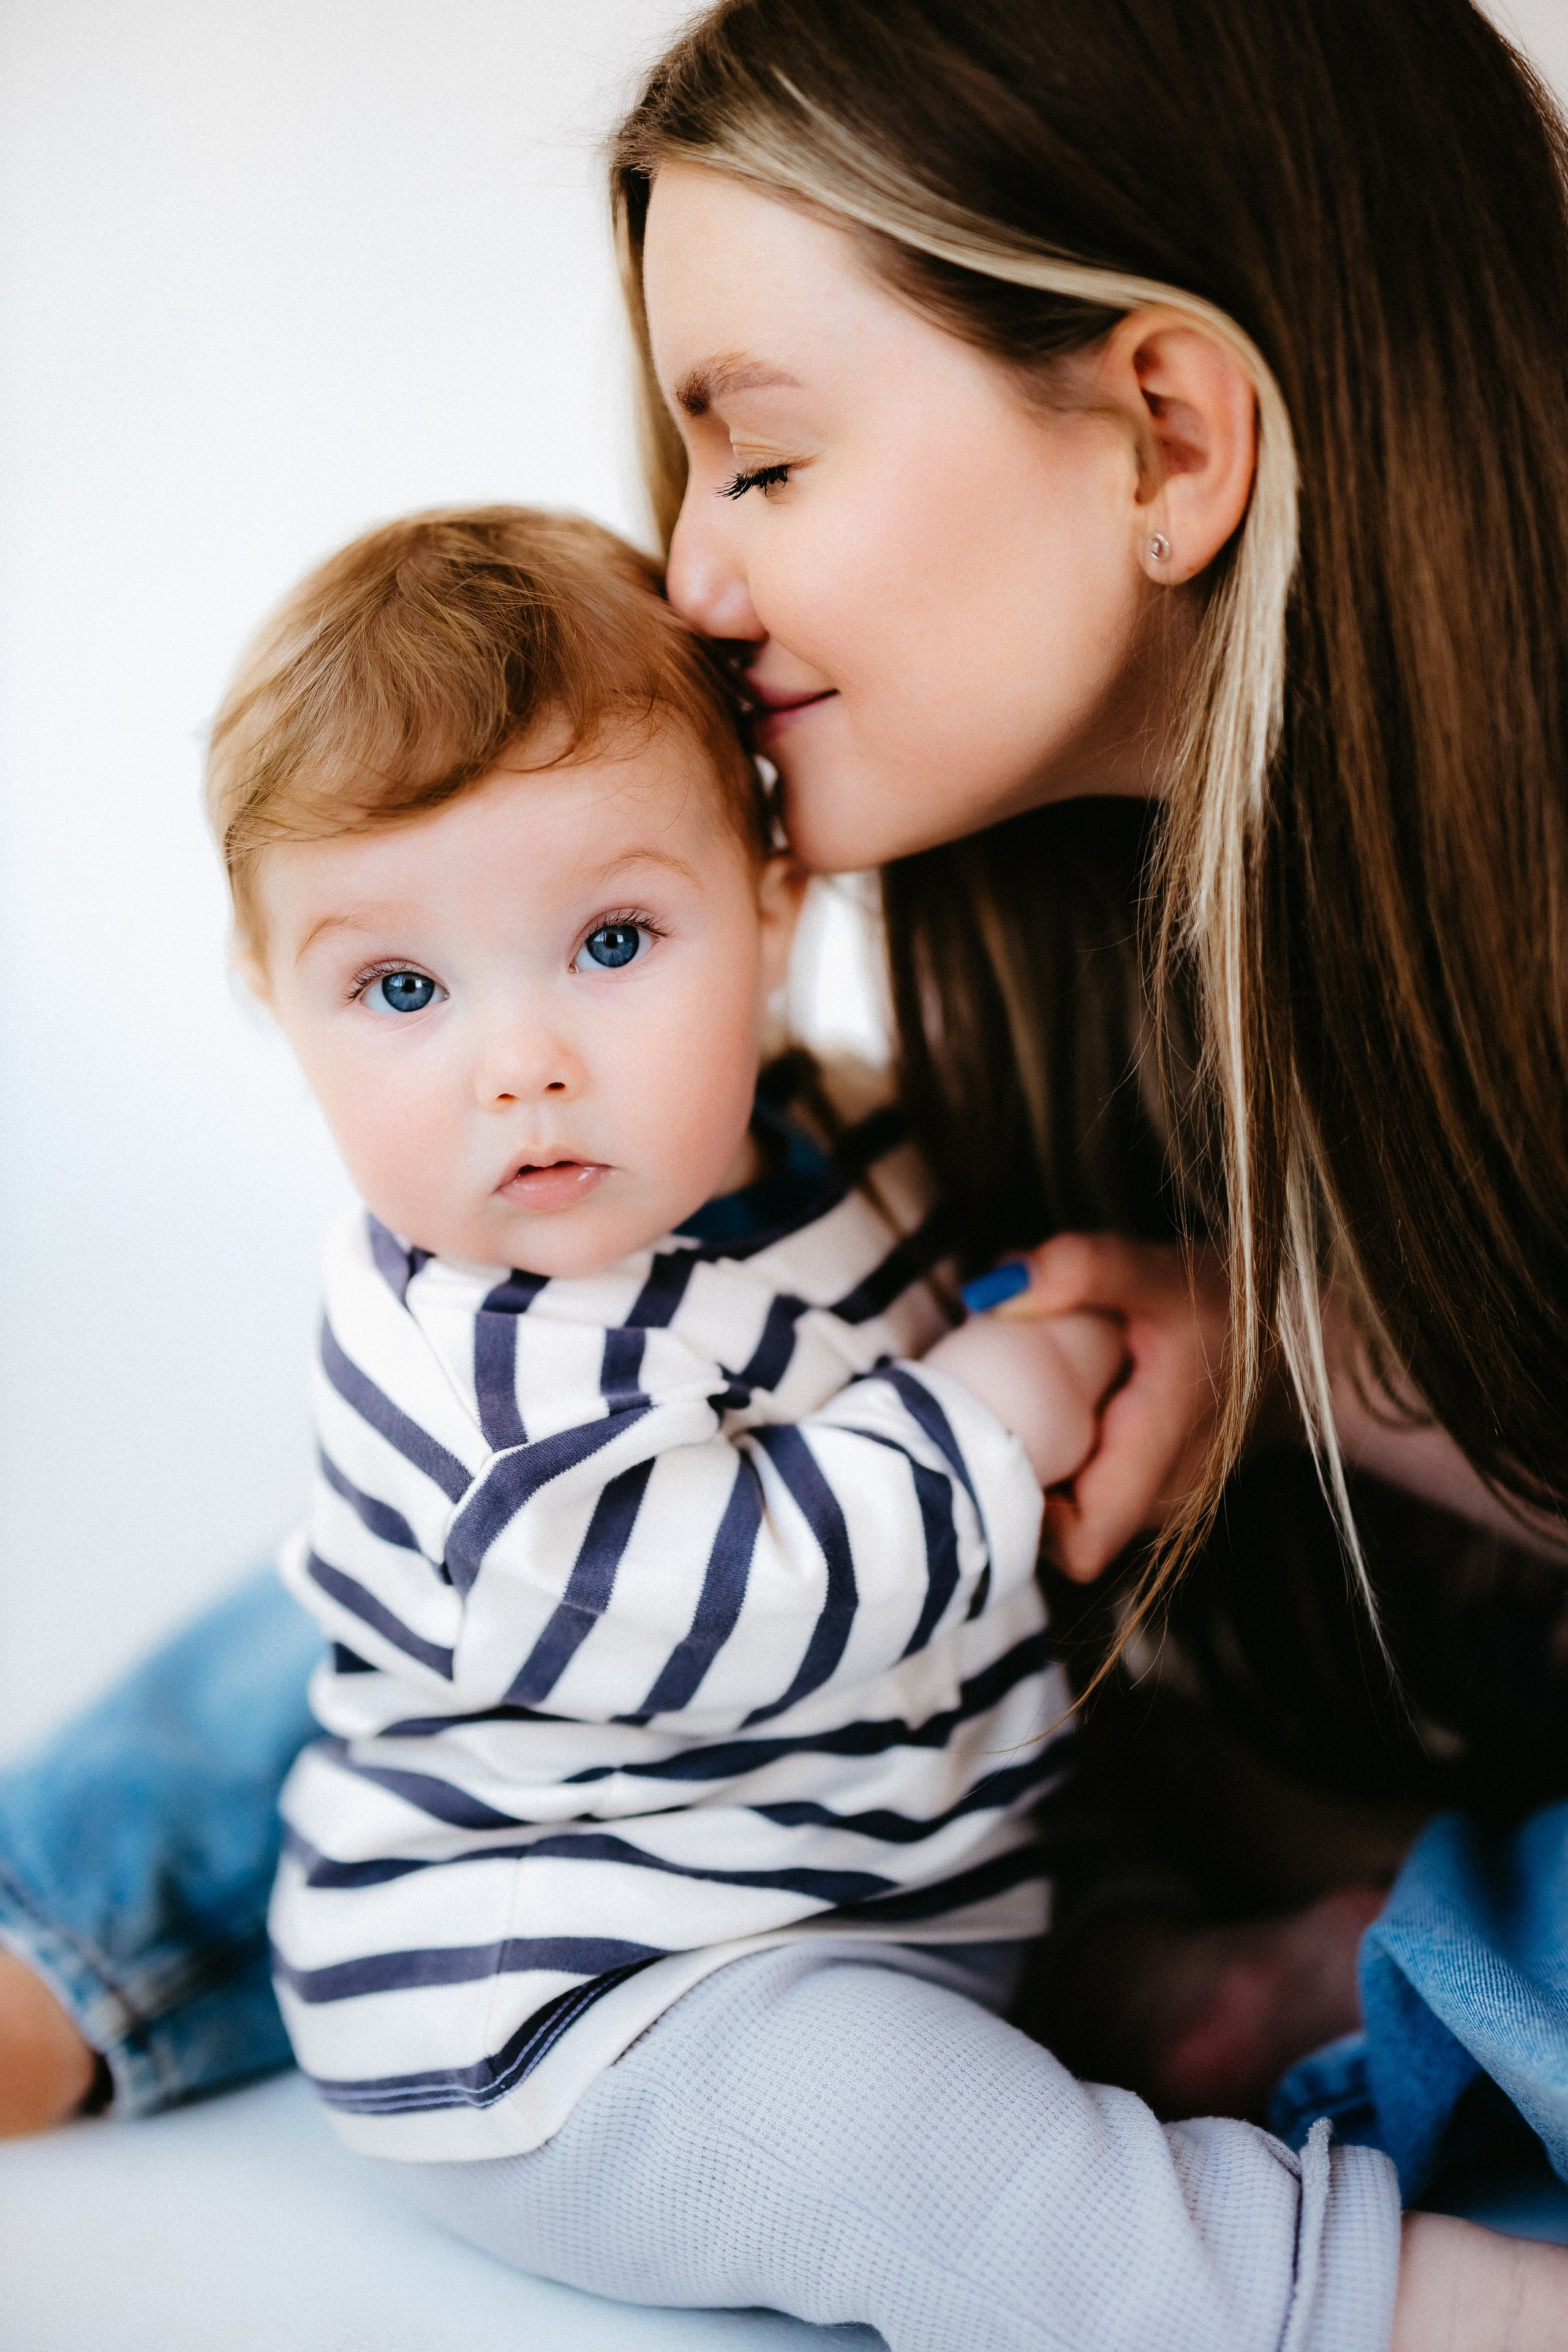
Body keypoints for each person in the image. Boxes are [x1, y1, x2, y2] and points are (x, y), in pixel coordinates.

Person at [6, 0, 1568, 2342]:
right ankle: (79, 1926)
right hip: (706, 1857)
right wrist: (1227, 1344)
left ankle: (1320, 2034)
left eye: (758, 458)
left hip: (1107, 1789)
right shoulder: (1082, 980)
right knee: (568, 1405)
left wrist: (1303, 1368)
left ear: (1166, 432)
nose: (695, 584)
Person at [213, 500, 1119, 2152]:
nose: (523, 1062)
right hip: (585, 1990)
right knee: (920, 2152)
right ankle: (1328, 2288)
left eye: (612, 942)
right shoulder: (472, 1362)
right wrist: (991, 1414)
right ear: (278, 1000)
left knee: (1027, 2016)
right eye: (403, 989)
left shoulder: (831, 1127)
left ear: (771, 914)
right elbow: (729, 1606)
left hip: (881, 1893)